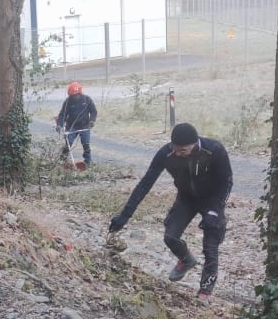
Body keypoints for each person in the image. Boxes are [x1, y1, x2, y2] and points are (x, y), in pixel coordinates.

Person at [108, 121, 231, 298]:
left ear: (194, 144)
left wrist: (216, 210)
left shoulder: (214, 150)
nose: (178, 154)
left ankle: (205, 290)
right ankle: (186, 260)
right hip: (186, 198)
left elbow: (227, 182)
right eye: (175, 149)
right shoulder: (166, 153)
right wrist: (124, 215)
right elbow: (146, 183)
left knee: (210, 246)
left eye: (183, 150)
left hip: (212, 200)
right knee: (170, 236)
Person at [55, 81, 97, 167]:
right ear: (70, 95)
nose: (75, 97)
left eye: (77, 95)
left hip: (84, 126)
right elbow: (62, 114)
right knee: (68, 143)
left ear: (80, 93)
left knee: (86, 144)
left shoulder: (87, 99)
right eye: (73, 95)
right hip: (71, 126)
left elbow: (93, 111)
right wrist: (59, 125)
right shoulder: (68, 102)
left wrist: (92, 121)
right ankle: (62, 160)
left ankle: (88, 162)